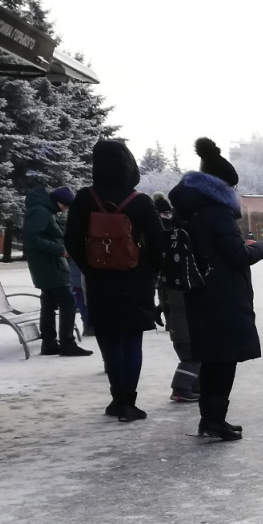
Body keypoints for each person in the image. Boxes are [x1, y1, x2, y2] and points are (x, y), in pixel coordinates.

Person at [170, 138, 263, 441]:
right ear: (223, 188)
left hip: (200, 292)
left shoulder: (189, 209)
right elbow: (237, 255)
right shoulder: (217, 212)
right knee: (224, 360)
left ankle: (210, 419)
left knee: (213, 359)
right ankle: (214, 420)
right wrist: (260, 247)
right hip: (222, 296)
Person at [63, 141, 168, 419]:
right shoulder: (141, 201)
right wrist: (148, 270)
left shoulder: (85, 199)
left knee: (108, 339)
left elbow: (72, 240)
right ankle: (129, 402)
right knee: (132, 340)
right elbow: (158, 244)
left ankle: (116, 399)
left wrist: (90, 267)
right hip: (135, 281)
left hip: (100, 281)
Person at [23, 184, 91, 357]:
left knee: (48, 304)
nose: (65, 210)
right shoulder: (40, 212)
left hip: (48, 265)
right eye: (66, 206)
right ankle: (67, 343)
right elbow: (32, 239)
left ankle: (49, 343)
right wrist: (59, 250)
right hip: (50, 266)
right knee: (68, 303)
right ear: (60, 202)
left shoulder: (44, 211)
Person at [150, 192, 199, 402]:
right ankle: (181, 388)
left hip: (172, 308)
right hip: (184, 310)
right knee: (194, 354)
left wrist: (162, 306)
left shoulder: (166, 243)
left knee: (187, 349)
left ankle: (194, 387)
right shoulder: (185, 238)